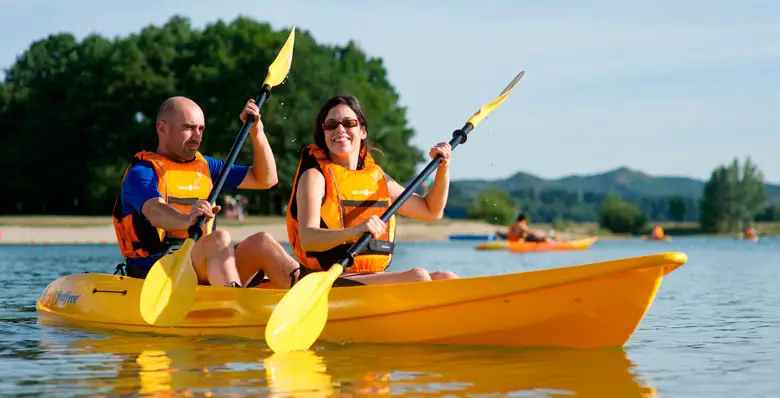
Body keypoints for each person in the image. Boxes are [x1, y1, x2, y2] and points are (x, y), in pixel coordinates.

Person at [112, 96, 300, 288]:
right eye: (188, 128)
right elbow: (155, 212)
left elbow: (266, 179)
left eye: (200, 129)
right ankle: (230, 303)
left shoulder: (209, 167)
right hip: (156, 271)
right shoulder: (142, 172)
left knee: (262, 242)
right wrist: (188, 219)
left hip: (202, 262)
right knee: (219, 239)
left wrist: (256, 131)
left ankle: (307, 294)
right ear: (162, 128)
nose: (197, 136)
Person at [285, 95, 459, 285]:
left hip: (367, 277)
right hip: (328, 278)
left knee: (447, 278)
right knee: (419, 276)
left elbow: (430, 211)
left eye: (349, 123)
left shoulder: (378, 179)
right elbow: (308, 238)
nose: (340, 129)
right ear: (324, 133)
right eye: (331, 125)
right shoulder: (315, 176)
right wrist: (355, 231)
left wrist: (443, 168)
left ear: (363, 131)